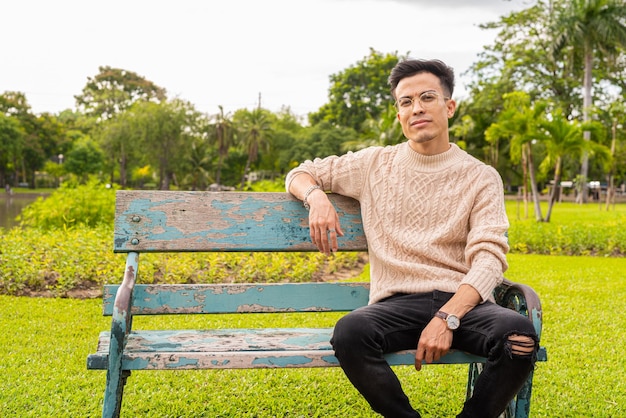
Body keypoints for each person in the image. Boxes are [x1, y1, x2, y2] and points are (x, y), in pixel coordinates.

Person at [285, 58, 539, 418]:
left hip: (463, 304)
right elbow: (301, 172)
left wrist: (448, 317)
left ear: (449, 106)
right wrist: (316, 198)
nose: (416, 108)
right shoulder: (373, 164)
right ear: (399, 114)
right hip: (396, 304)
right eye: (406, 102)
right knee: (350, 333)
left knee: (519, 336)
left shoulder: (481, 176)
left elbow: (489, 258)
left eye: (427, 97)